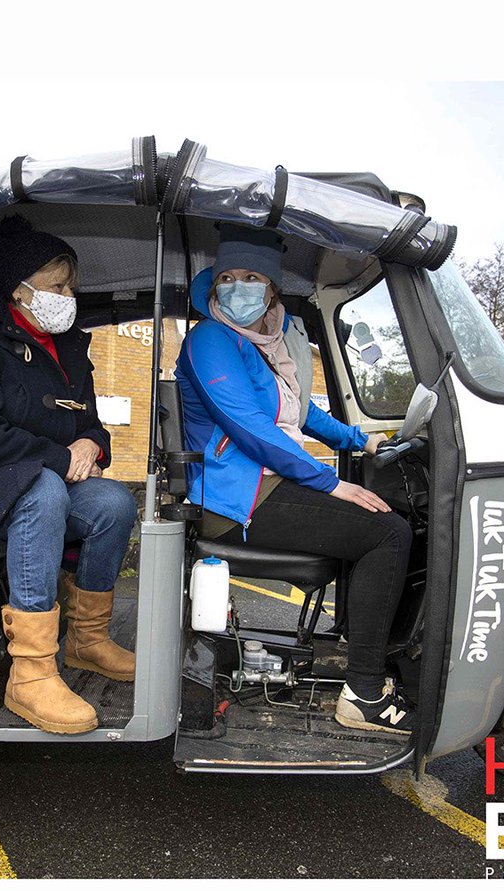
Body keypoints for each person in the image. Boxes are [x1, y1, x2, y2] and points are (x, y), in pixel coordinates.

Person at [175, 224, 415, 735]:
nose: (238, 287)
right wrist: (330, 483)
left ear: (272, 290)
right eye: (229, 278)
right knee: (388, 533)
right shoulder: (210, 339)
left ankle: (361, 649)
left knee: (381, 521)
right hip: (235, 496)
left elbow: (300, 414)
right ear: (214, 286)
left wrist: (362, 440)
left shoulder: (270, 345)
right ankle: (365, 694)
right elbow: (249, 426)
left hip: (269, 483)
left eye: (252, 277)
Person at [0, 216, 138, 735]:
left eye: (71, 287)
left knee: (112, 503)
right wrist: (60, 459)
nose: (68, 296)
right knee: (41, 487)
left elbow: (91, 427)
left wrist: (90, 444)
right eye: (57, 286)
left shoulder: (68, 352)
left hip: (31, 483)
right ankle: (32, 672)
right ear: (19, 290)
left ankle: (87, 640)